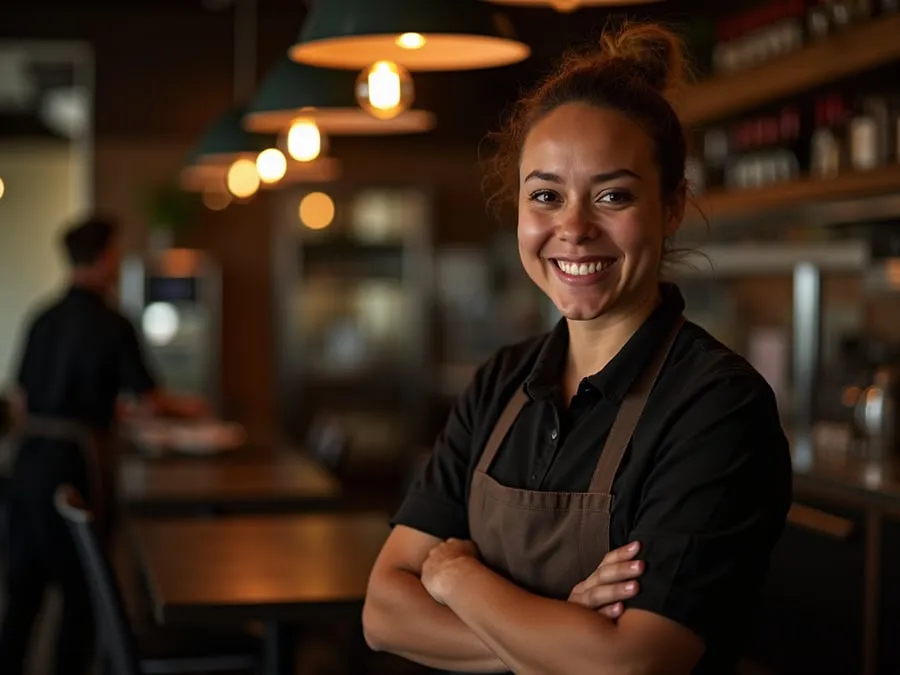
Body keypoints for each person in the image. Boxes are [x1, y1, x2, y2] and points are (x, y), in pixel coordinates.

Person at [362, 21, 793, 675]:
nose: (573, 228)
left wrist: (457, 580)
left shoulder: (717, 406)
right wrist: (561, 621)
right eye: (545, 196)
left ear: (672, 205)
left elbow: (633, 663)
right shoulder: (499, 383)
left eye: (612, 195)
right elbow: (383, 611)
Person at [0, 215, 208, 675]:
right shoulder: (112, 322)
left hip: (27, 466)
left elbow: (21, 399)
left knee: (22, 595)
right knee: (80, 594)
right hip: (74, 465)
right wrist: (191, 410)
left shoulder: (42, 316)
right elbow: (149, 400)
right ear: (105, 257)